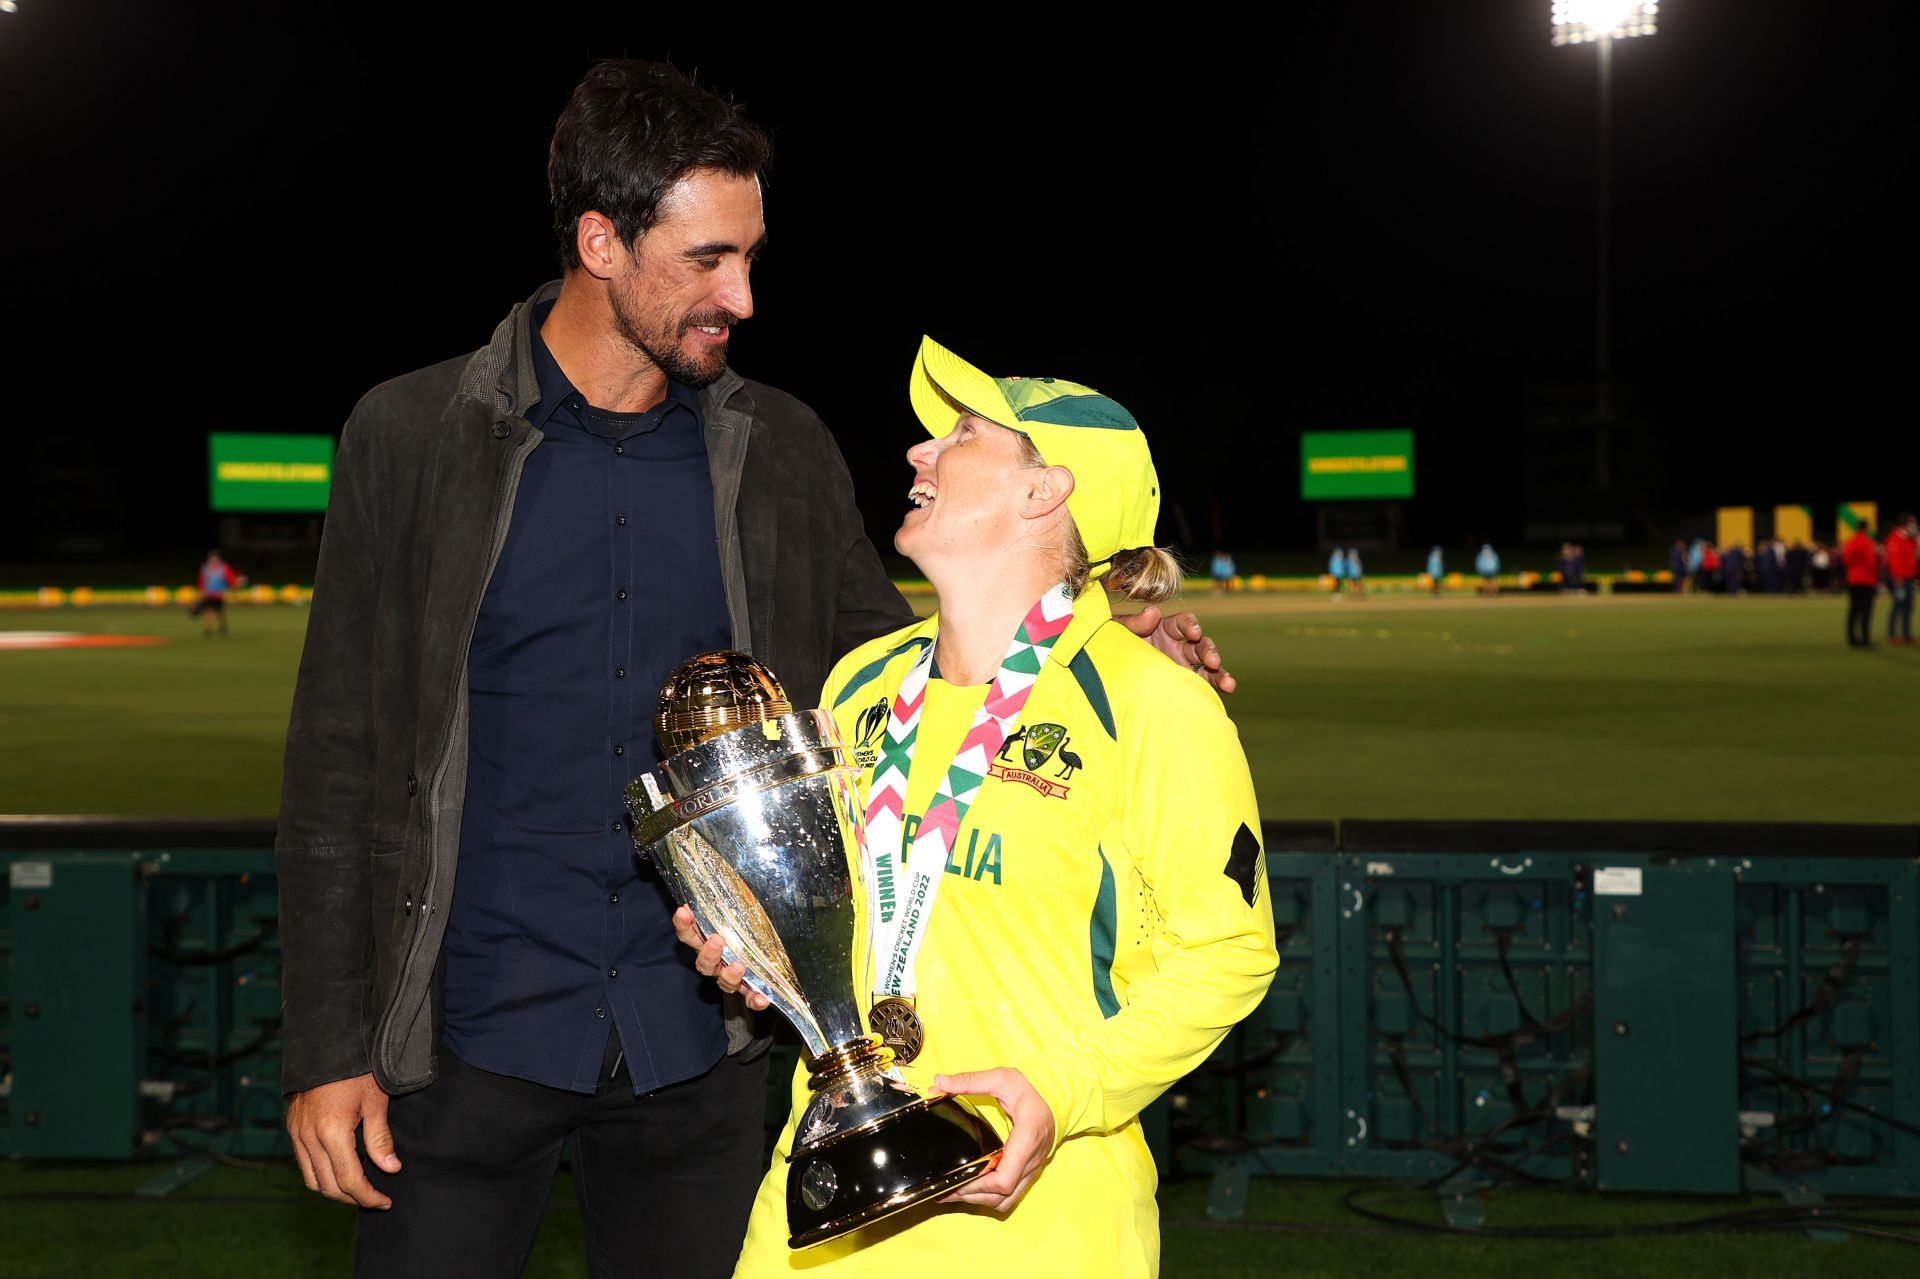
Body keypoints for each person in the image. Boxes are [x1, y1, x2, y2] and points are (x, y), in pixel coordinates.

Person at [272, 61, 1233, 1279]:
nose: (742, 294)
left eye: (751, 257)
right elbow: (337, 758)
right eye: (708, 259)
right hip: (462, 1042)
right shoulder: (408, 435)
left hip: (710, 1055)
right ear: (601, 241)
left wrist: (1108, 622)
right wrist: (325, 1045)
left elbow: (921, 672)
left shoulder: (779, 447)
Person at [681, 336, 1279, 1277]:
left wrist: (1062, 1088)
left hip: (1037, 1219)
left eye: (959, 435)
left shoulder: (1152, 701)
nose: (919, 453)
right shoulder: (861, 680)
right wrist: (753, 944)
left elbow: (1230, 952)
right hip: (823, 1213)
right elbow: (838, 905)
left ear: (1046, 492)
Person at [189, 549, 246, 636]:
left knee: (219, 610)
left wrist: (235, 584)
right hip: (208, 594)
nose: (213, 561)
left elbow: (230, 578)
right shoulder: (205, 568)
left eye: (215, 560)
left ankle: (223, 625)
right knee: (208, 610)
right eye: (212, 560)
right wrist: (201, 591)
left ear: (218, 560)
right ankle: (208, 629)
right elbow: (202, 580)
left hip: (219, 594)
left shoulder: (223, 568)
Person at [1841, 520, 1880, 647]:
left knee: (1853, 609)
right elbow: (1871, 563)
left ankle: (1851, 638)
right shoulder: (1869, 542)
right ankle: (1865, 638)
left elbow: (1846, 561)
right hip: (1867, 580)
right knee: (1866, 611)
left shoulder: (1850, 542)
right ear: (1866, 528)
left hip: (1853, 579)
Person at [1885, 511, 1917, 646]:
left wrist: (1914, 539)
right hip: (1900, 579)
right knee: (1898, 606)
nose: (1914, 525)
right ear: (1905, 524)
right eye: (1912, 522)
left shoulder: (1908, 539)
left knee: (1909, 606)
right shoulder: (1895, 538)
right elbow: (1895, 561)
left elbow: (1913, 556)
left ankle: (1907, 634)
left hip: (1909, 577)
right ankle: (1892, 635)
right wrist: (1898, 580)